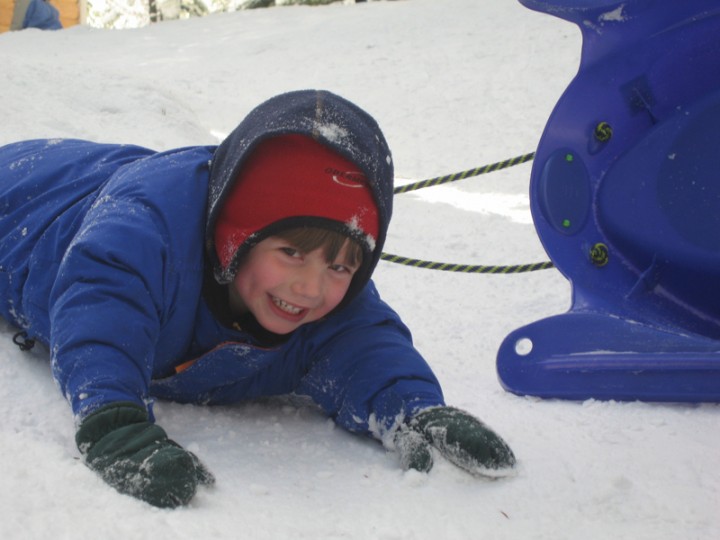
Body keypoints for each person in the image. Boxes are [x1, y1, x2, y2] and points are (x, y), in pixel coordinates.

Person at [0, 90, 515, 508]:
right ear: (236, 238)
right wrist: (112, 417)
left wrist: (416, 410)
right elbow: (102, 304)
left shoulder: (329, 305)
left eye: (339, 266)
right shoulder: (144, 233)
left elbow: (364, 345)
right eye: (291, 252)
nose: (311, 288)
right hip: (29, 190)